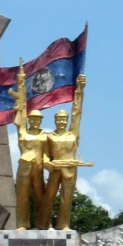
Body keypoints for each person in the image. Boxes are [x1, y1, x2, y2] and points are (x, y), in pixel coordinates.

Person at [36, 74, 86, 230]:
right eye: (59, 119)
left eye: (64, 119)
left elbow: (77, 112)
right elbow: (44, 155)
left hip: (70, 168)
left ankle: (63, 225)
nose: (62, 122)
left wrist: (79, 91)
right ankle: (43, 224)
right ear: (55, 121)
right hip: (55, 169)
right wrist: (48, 164)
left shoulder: (73, 134)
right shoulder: (49, 137)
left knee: (67, 198)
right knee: (48, 197)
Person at [9, 61, 47, 229]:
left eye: (38, 120)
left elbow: (46, 153)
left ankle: (42, 224)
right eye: (33, 119)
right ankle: (22, 224)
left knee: (41, 196)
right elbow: (21, 112)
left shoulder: (45, 136)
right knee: (22, 196)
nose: (36, 122)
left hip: (38, 168)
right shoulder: (23, 131)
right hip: (24, 166)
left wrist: (49, 163)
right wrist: (21, 85)